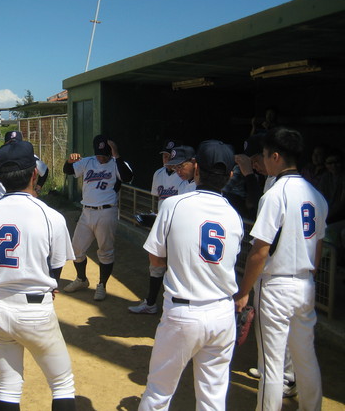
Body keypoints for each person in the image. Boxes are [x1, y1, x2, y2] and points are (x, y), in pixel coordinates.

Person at [0, 140, 76, 411]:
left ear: (1, 178)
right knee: (62, 385)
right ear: (34, 174)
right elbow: (56, 267)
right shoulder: (50, 215)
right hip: (35, 310)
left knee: (9, 387)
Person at [138, 140, 243, 410]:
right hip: (222, 314)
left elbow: (155, 258)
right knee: (212, 398)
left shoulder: (173, 205)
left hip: (183, 311)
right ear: (231, 176)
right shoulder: (234, 216)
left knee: (159, 392)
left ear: (196, 169)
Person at [235, 127, 328, 411]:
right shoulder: (316, 195)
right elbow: (319, 247)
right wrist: (307, 278)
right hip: (305, 283)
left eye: (265, 155)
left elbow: (260, 251)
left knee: (272, 364)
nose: (263, 161)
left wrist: (244, 292)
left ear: (276, 156)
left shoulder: (275, 194)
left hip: (276, 285)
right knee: (305, 358)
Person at [63, 134, 133, 301]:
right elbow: (68, 170)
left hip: (106, 212)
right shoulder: (88, 161)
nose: (101, 157)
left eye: (105, 154)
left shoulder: (117, 163)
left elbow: (127, 177)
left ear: (111, 152)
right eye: (99, 154)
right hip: (86, 212)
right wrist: (69, 161)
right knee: (76, 249)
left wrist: (116, 155)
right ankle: (81, 279)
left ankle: (102, 284)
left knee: (105, 251)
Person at [128, 139, 183, 314]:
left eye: (169, 156)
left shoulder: (184, 178)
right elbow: (158, 200)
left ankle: (173, 305)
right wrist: (152, 218)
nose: (166, 159)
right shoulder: (158, 173)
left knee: (174, 267)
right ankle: (151, 303)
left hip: (178, 227)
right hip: (162, 225)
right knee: (156, 264)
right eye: (164, 155)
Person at [0, 130, 49, 201]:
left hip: (24, 198)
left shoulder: (29, 156)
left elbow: (44, 170)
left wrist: (37, 189)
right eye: (10, 143)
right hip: (2, 197)